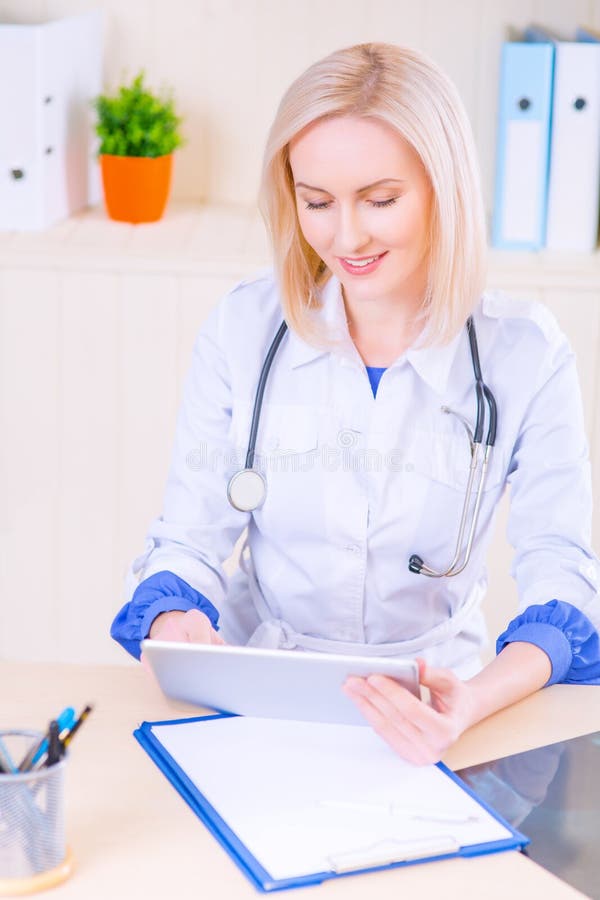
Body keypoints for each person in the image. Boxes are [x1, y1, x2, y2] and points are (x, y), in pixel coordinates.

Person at [111, 42, 600, 764]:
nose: (347, 237)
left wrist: (474, 702)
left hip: (444, 707)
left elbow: (565, 579)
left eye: (380, 200)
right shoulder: (245, 330)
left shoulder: (524, 354)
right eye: (316, 202)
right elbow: (188, 540)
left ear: (444, 188)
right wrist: (177, 615)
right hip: (261, 698)